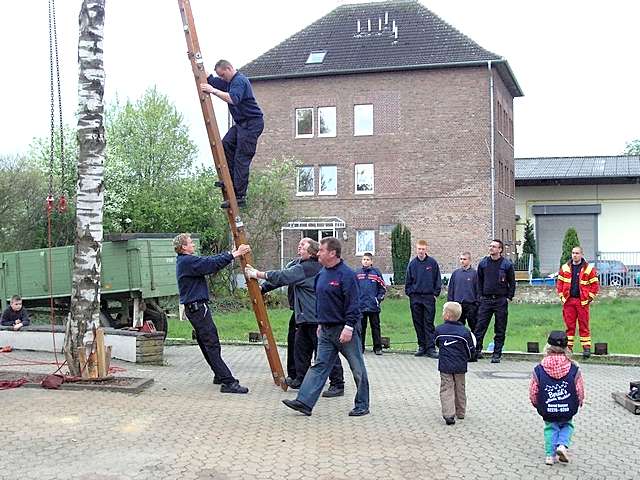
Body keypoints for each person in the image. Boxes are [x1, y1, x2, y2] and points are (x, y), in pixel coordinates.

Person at [282, 237, 370, 417]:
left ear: (332, 253)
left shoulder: (347, 275)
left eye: (321, 250)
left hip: (345, 329)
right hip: (326, 330)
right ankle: (304, 402)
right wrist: (321, 323)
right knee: (320, 366)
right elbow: (320, 302)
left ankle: (362, 404)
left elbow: (354, 304)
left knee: (357, 368)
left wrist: (349, 327)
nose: (318, 253)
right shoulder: (322, 274)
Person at [245, 239, 345, 392]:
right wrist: (262, 288)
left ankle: (337, 383)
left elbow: (283, 276)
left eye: (303, 245)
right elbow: (284, 277)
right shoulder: (297, 265)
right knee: (300, 348)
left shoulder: (310, 267)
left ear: (312, 251)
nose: (299, 246)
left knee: (324, 351)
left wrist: (257, 274)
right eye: (298, 244)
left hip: (316, 317)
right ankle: (301, 378)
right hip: (303, 316)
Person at [173, 233, 250, 394]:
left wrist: (231, 253)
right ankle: (228, 382)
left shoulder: (186, 261)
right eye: (190, 243)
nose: (193, 244)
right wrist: (234, 254)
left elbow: (210, 261)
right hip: (198, 308)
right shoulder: (188, 261)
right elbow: (210, 263)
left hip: (194, 308)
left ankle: (219, 375)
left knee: (205, 342)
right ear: (183, 247)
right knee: (211, 343)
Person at [200, 59, 264, 208]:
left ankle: (239, 195)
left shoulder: (239, 81)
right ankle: (228, 180)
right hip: (241, 124)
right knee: (226, 144)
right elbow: (212, 80)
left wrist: (213, 91)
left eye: (223, 75)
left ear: (229, 69)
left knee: (242, 157)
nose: (222, 79)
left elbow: (233, 99)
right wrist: (198, 64)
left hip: (252, 124)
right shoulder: (228, 82)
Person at [529, 331, 585, 465]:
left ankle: (550, 455)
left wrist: (536, 403)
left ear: (548, 347)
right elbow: (579, 388)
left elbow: (533, 390)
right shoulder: (573, 368)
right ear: (567, 348)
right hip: (567, 407)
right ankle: (562, 445)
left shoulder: (539, 369)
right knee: (567, 425)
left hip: (548, 407)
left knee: (550, 428)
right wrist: (580, 400)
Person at [474, 239, 516, 364]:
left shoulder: (506, 264)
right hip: (486, 300)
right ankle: (476, 351)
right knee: (480, 327)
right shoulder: (483, 264)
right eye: (490, 246)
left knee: (500, 328)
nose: (491, 248)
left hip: (500, 300)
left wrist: (509, 297)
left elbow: (512, 282)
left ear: (500, 249)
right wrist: (480, 297)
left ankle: (497, 353)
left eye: (494, 246)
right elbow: (479, 282)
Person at [434, 302, 476, 425]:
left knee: (446, 388)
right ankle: (461, 411)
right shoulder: (465, 332)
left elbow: (437, 343)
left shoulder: (440, 330)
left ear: (447, 315)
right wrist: (468, 358)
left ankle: (448, 414)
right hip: (460, 366)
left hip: (445, 366)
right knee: (460, 388)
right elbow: (470, 349)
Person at [556, 246, 599, 358]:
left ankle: (586, 348)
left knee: (584, 325)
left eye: (577, 253)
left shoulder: (588, 269)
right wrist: (561, 296)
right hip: (569, 301)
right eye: (573, 253)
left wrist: (589, 297)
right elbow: (559, 283)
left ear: (581, 254)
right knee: (569, 326)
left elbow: (595, 285)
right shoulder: (565, 267)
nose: (574, 255)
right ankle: (568, 348)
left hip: (582, 302)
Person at [405, 239, 442, 358]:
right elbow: (408, 281)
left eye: (423, 249)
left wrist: (435, 293)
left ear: (426, 249)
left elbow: (437, 279)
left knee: (429, 323)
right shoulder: (412, 264)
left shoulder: (432, 263)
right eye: (419, 249)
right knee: (418, 323)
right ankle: (421, 346)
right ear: (416, 249)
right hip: (415, 297)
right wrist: (410, 293)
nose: (421, 251)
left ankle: (430, 348)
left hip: (428, 297)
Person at [355, 252, 386, 355]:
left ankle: (377, 348)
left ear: (371, 261)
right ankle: (360, 347)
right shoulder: (357, 273)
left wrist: (378, 299)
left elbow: (382, 288)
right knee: (361, 328)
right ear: (362, 261)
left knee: (375, 327)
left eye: (368, 260)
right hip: (361, 306)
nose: (366, 261)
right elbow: (353, 288)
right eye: (364, 259)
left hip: (373, 306)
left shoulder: (376, 273)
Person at [447, 251, 479, 332]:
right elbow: (451, 289)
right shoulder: (456, 273)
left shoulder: (475, 274)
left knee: (474, 327)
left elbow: (478, 290)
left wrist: (477, 304)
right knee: (457, 327)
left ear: (469, 260)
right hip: (457, 305)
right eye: (461, 259)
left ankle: (475, 344)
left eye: (464, 259)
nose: (462, 261)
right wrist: (450, 303)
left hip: (471, 305)